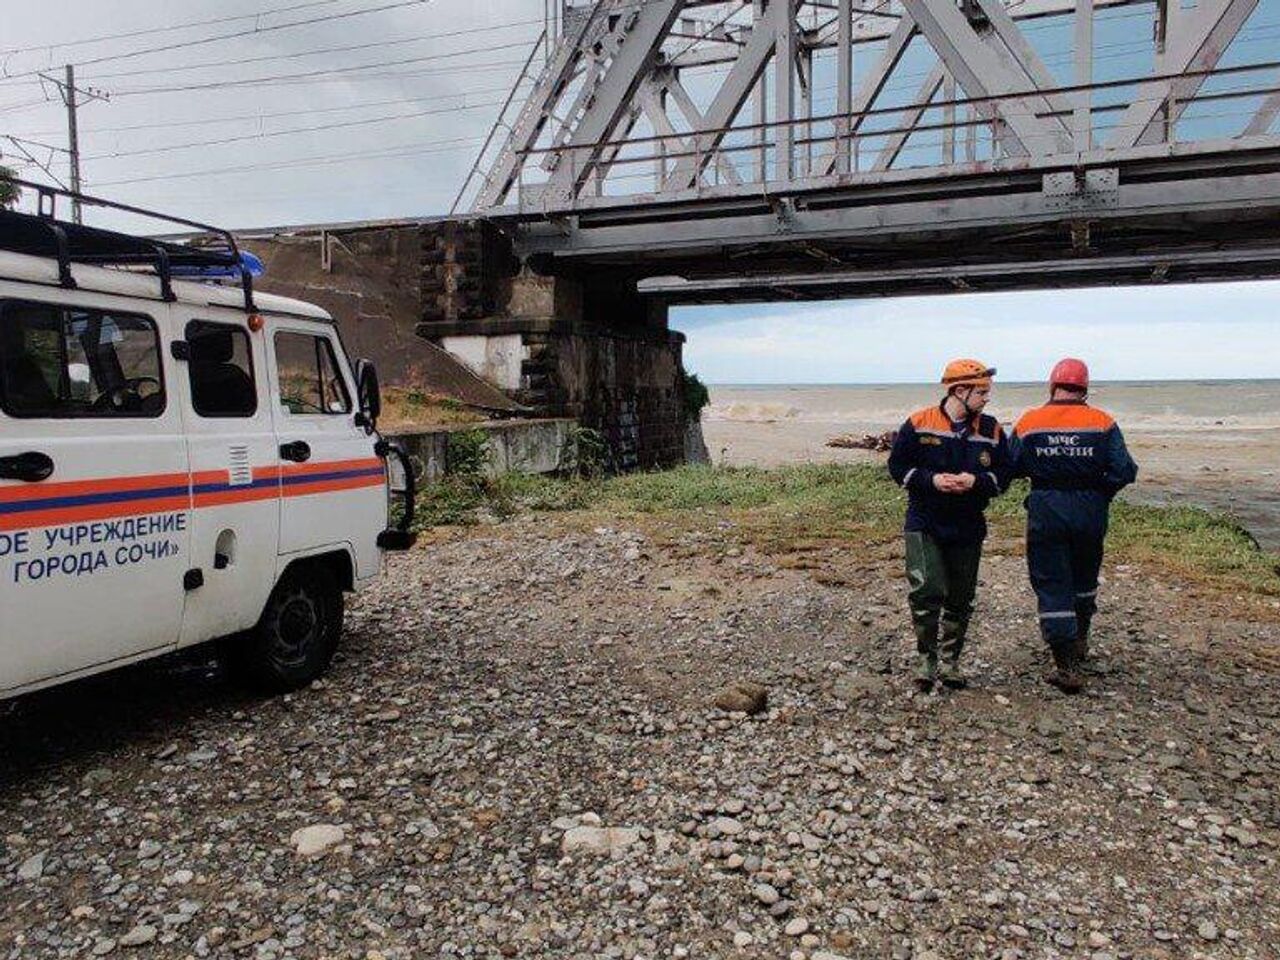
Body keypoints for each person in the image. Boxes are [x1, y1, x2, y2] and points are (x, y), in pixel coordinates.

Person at [1010, 358, 1137, 694]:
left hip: (1047, 507)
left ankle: (1066, 666)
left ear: (1053, 385)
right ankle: (1080, 639)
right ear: (1085, 388)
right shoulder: (1102, 422)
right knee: (1084, 575)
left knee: (1052, 581)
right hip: (1090, 509)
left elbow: (1010, 465)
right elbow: (1125, 470)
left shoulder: (1030, 422)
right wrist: (1100, 493)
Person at [888, 359, 1010, 691]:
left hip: (968, 525)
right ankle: (926, 660)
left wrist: (977, 481)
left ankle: (951, 662)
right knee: (926, 591)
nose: (987, 399)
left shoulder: (992, 429)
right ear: (960, 390)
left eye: (987, 392)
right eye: (981, 392)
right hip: (925, 522)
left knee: (961, 597)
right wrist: (932, 480)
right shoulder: (919, 423)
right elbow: (898, 467)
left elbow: (1005, 477)